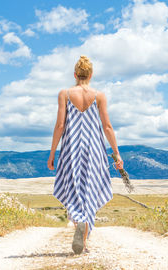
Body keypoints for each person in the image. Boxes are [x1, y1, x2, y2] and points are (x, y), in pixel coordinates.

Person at [47, 55, 123, 255]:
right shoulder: (99, 96)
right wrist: (116, 154)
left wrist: (52, 152)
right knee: (90, 189)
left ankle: (78, 222)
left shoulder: (64, 93)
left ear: (75, 74)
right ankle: (84, 237)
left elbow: (60, 125)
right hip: (94, 150)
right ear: (91, 74)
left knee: (72, 188)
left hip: (71, 148)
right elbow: (107, 127)